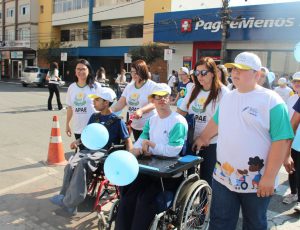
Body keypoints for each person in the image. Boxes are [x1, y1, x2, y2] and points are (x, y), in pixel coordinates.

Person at [193, 52, 294, 230]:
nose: (235, 73)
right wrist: (202, 138)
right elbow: (216, 122)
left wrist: (269, 177)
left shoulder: (272, 101)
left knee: (254, 224)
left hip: (257, 181)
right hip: (223, 178)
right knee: (220, 222)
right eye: (233, 69)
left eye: (243, 69)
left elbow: (282, 140)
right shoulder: (228, 97)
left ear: (258, 74)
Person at [115, 83, 188, 230]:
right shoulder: (151, 120)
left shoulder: (178, 121)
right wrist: (135, 150)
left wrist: (152, 146)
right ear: (152, 100)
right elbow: (142, 139)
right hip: (150, 169)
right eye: (157, 97)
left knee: (144, 200)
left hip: (168, 173)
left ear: (171, 98)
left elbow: (174, 150)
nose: (161, 99)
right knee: (128, 195)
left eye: (164, 96)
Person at [50, 87, 132, 216]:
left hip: (103, 153)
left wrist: (130, 157)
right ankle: (64, 198)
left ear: (106, 102)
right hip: (88, 148)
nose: (93, 102)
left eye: (96, 100)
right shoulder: (94, 117)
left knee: (82, 163)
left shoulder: (117, 121)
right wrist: (77, 142)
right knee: (70, 165)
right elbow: (87, 134)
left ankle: (71, 203)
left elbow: (127, 141)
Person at [177, 57, 229, 186]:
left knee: (206, 177)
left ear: (213, 73)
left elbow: (223, 121)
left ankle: (205, 205)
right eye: (196, 72)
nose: (200, 76)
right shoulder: (194, 88)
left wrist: (204, 138)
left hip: (212, 142)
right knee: (188, 176)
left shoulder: (223, 93)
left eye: (204, 72)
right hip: (191, 139)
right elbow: (181, 111)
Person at [111, 59, 157, 141]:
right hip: (135, 126)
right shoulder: (129, 87)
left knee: (147, 151)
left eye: (136, 72)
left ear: (143, 71)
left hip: (149, 126)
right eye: (132, 72)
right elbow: (121, 102)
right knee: (138, 149)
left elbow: (153, 103)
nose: (134, 75)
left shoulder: (152, 86)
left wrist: (141, 111)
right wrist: (111, 110)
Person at [65, 59, 102, 150]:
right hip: (78, 128)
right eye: (78, 69)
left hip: (94, 127)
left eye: (83, 69)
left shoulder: (95, 86)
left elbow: (103, 106)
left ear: (88, 71)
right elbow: (70, 107)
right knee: (81, 154)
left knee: (94, 154)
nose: (80, 71)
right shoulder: (72, 87)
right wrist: (67, 124)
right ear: (75, 71)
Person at [284, 72, 300, 210]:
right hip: (294, 143)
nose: (297, 83)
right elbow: (291, 123)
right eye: (295, 80)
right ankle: (294, 193)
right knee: (292, 170)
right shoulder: (292, 98)